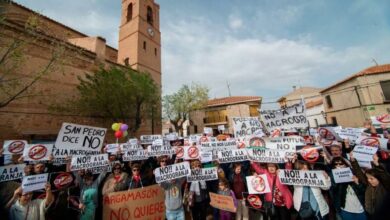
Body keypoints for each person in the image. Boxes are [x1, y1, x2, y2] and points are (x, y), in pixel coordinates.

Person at [350, 153, 390, 219]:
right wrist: (353, 160)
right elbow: (359, 173)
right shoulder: (368, 185)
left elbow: (384, 176)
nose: (369, 180)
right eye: (368, 178)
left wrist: (377, 165)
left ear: (379, 178)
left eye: (372, 178)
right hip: (371, 216)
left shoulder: (385, 186)